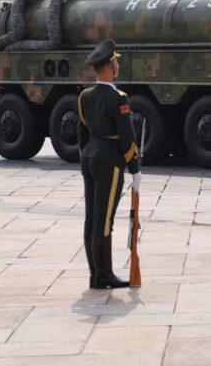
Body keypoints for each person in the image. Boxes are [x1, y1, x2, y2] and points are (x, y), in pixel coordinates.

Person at [78, 39, 141, 289]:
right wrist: (134, 168)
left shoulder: (85, 95)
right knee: (104, 219)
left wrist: (87, 156)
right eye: (114, 61)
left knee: (92, 217)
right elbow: (127, 138)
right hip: (109, 161)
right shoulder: (118, 98)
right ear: (107, 67)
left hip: (90, 159)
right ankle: (104, 275)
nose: (117, 64)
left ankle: (95, 274)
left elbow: (82, 134)